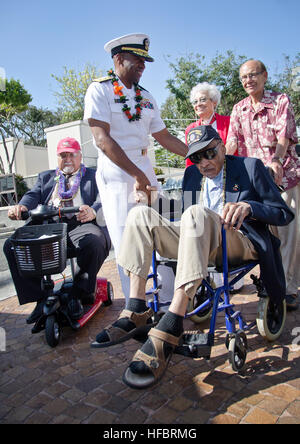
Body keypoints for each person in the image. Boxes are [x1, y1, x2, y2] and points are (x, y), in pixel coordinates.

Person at [92, 125, 294, 389]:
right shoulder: (191, 174)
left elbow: (283, 213)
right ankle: (137, 307)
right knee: (139, 215)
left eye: (209, 153)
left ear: (222, 146)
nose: (203, 162)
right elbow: (183, 210)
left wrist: (248, 207)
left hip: (238, 239)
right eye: (196, 157)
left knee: (197, 215)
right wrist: (152, 200)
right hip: (199, 236)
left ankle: (173, 319)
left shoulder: (250, 167)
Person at [84, 33, 187, 302]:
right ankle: (136, 308)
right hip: (118, 172)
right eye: (137, 59)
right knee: (127, 241)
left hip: (145, 168)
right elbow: (102, 139)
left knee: (161, 232)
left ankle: (164, 302)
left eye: (145, 60)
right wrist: (137, 175)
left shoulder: (146, 96)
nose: (143, 65)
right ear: (118, 58)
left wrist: (199, 155)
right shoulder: (100, 89)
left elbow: (164, 137)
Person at [3, 137, 111, 322]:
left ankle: (77, 293)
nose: (68, 159)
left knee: (95, 241)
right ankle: (39, 297)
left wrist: (93, 211)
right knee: (12, 246)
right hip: (49, 227)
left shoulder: (94, 175)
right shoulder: (46, 177)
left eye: (72, 155)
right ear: (57, 157)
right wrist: (21, 207)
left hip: (80, 225)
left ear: (80, 157)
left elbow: (104, 198)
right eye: (63, 155)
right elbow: (32, 195)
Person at [226, 59, 300, 310]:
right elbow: (232, 144)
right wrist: (222, 168)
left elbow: (284, 135)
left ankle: (288, 288)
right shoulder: (239, 109)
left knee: (289, 234)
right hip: (255, 183)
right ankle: (273, 282)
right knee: (267, 237)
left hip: (284, 176)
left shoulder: (281, 101)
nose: (248, 80)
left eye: (253, 75)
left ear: (265, 76)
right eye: (244, 77)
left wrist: (277, 160)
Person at [185, 82, 231, 168]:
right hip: (204, 173)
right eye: (195, 102)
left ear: (214, 102)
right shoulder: (190, 129)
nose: (198, 104)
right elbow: (190, 161)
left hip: (229, 170)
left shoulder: (229, 122)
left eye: (202, 99)